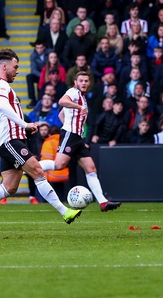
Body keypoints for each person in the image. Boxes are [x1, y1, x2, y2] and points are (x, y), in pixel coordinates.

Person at [0, 49, 83, 230]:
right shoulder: (0, 85)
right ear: (4, 66)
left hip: (10, 139)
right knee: (38, 171)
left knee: (9, 187)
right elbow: (2, 107)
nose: (17, 71)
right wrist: (24, 125)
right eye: (15, 67)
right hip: (10, 141)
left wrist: (19, 128)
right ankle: (65, 211)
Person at [39, 71, 121, 211]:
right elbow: (61, 101)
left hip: (77, 137)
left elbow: (61, 114)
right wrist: (73, 120)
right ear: (75, 83)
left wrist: (72, 123)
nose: (84, 83)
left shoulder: (82, 97)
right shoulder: (73, 92)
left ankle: (103, 202)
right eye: (81, 81)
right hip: (70, 135)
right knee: (59, 165)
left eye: (86, 81)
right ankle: (27, 167)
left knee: (91, 168)